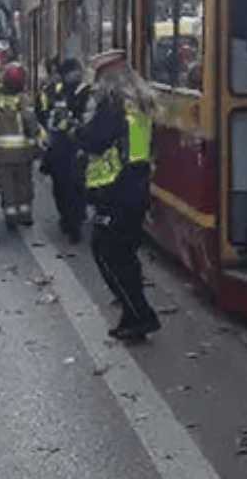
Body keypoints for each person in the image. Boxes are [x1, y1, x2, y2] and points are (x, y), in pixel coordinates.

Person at [76, 50, 160, 341]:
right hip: (136, 186)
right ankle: (132, 315)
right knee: (126, 256)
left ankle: (139, 313)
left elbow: (92, 140)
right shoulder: (141, 103)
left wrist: (77, 127)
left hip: (115, 189)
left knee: (107, 254)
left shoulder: (112, 106)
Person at [0, 62, 41, 230]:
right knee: (24, 183)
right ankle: (25, 214)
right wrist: (36, 139)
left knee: (7, 185)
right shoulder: (24, 99)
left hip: (1, 154)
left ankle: (10, 216)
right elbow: (30, 122)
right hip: (23, 153)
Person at [48, 58, 91, 242]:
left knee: (72, 187)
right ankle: (70, 219)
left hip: (73, 146)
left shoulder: (86, 94)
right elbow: (51, 116)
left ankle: (73, 222)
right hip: (62, 146)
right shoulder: (58, 92)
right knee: (64, 187)